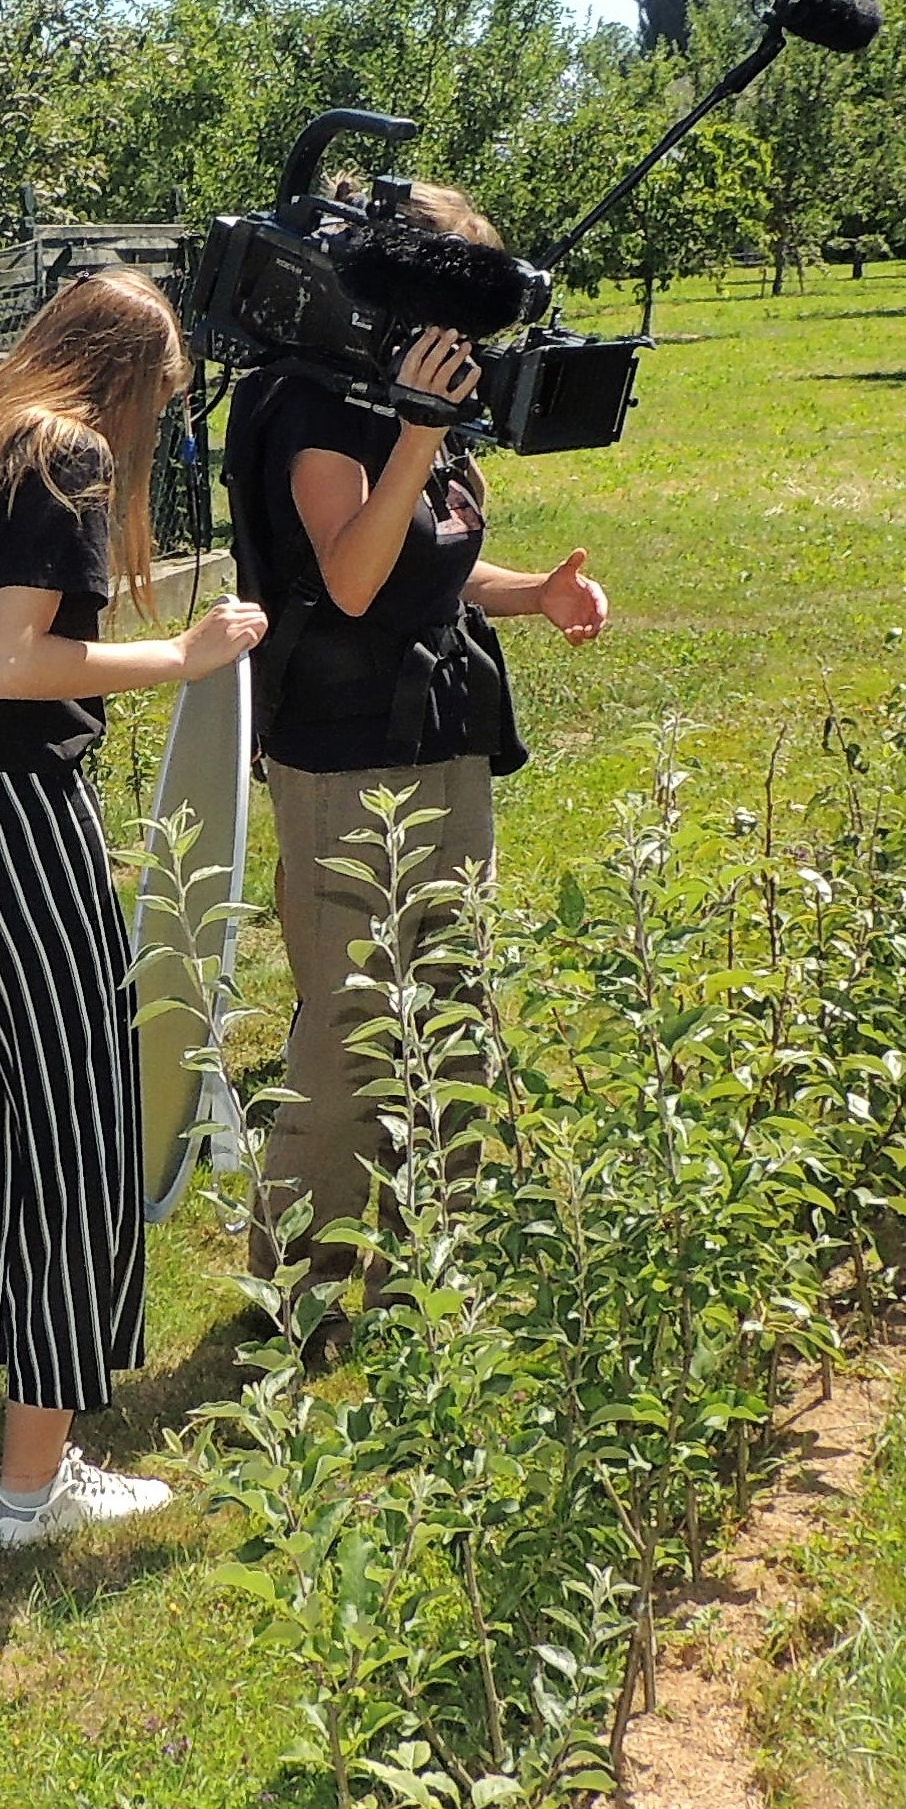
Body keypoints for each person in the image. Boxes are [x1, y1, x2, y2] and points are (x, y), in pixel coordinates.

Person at [0, 265, 267, 1547]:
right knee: (80, 1146)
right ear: (130, 381)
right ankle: (31, 1484)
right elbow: (12, 665)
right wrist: (184, 656)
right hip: (16, 823)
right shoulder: (61, 452)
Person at [221, 183, 610, 1317]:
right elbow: (348, 578)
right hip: (344, 758)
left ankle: (429, 1266)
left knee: (453, 1001)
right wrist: (419, 434)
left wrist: (534, 592)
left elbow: (421, 563)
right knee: (351, 1026)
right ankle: (299, 1283)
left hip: (439, 734)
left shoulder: (395, 408)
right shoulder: (311, 413)